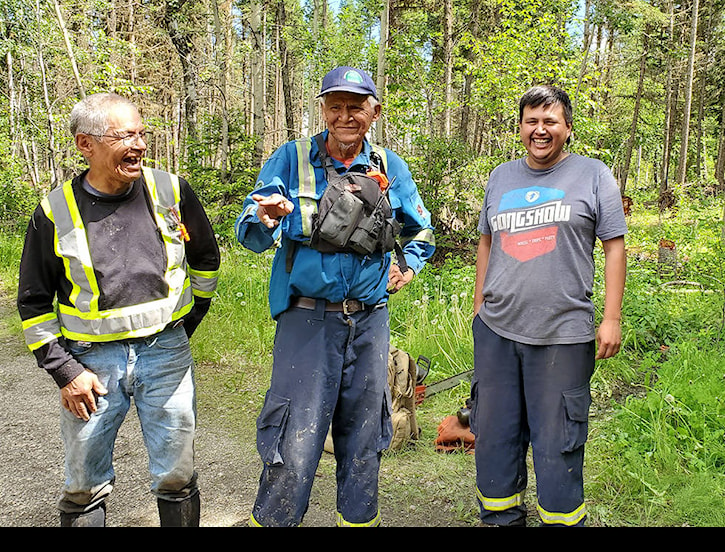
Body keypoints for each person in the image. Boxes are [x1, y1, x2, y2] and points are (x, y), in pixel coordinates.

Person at [236, 65, 435, 527]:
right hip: (306, 320)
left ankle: (359, 519)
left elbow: (421, 228)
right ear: (323, 110)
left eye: (356, 107)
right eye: (336, 106)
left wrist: (406, 265)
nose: (345, 116)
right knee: (293, 436)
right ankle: (276, 519)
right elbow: (250, 231)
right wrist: (265, 217)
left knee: (365, 432)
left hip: (370, 322)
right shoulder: (291, 159)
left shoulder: (389, 166)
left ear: (375, 112)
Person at [17, 93, 221, 527]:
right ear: (85, 145)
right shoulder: (55, 210)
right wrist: (65, 371)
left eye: (142, 133)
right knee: (83, 485)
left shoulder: (170, 190)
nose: (140, 144)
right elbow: (34, 303)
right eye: (125, 135)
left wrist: (188, 325)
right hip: (89, 363)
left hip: (167, 353)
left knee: (176, 476)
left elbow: (205, 260)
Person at [471, 85, 627, 526]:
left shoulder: (594, 175)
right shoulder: (501, 176)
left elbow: (614, 247)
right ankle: (501, 518)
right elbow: (487, 239)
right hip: (497, 331)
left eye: (550, 121)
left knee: (558, 443)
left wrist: (611, 318)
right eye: (531, 121)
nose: (540, 130)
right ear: (521, 127)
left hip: (564, 334)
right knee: (495, 438)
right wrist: (479, 303)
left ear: (568, 128)